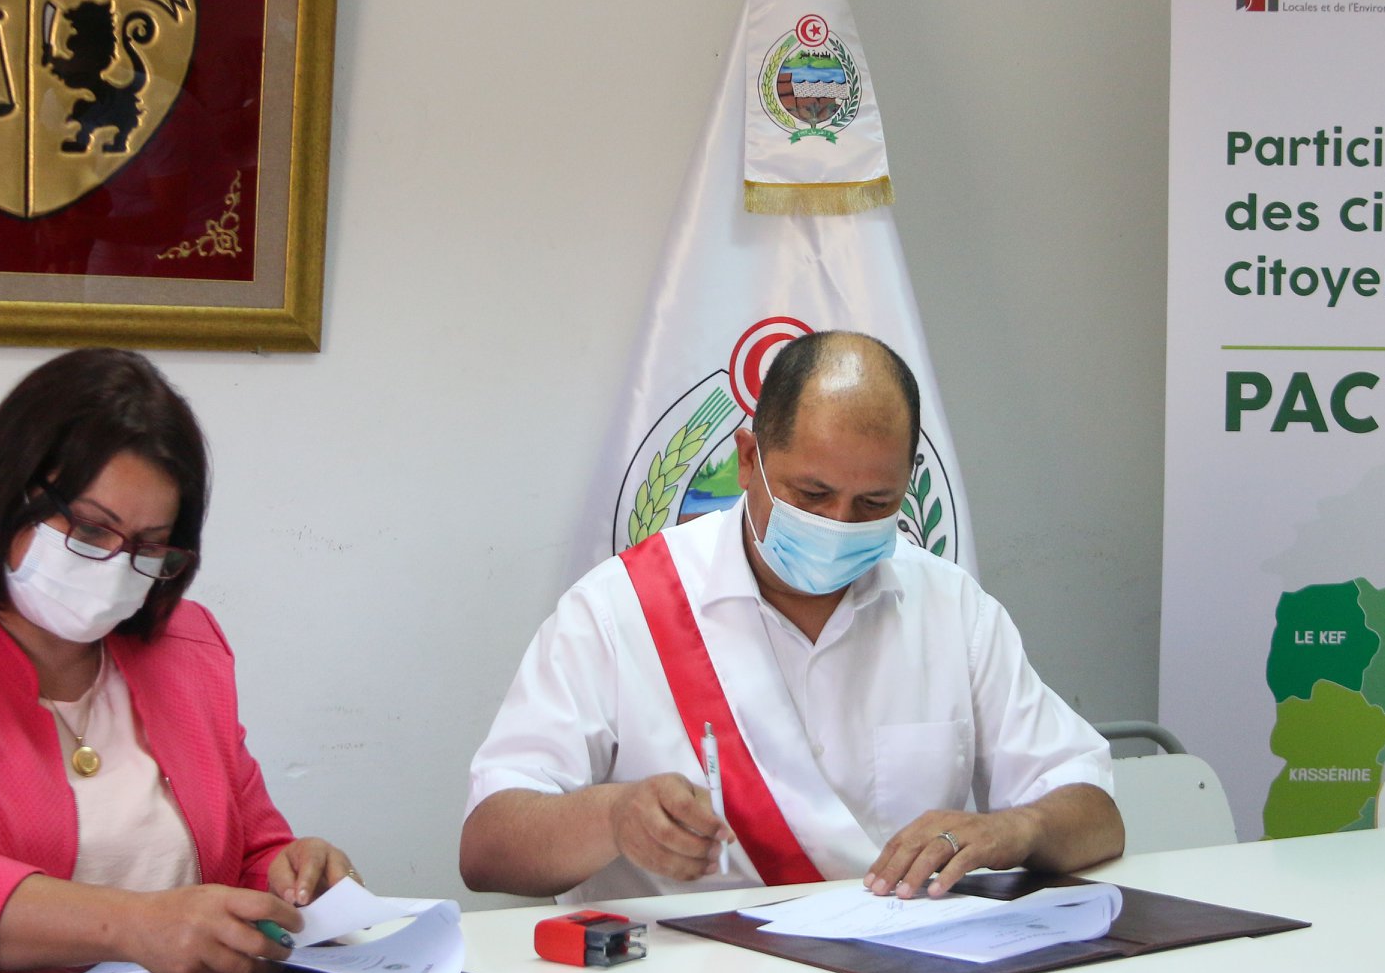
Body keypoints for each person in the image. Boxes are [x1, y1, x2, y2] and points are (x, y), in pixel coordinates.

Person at [461, 330, 1121, 904]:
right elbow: (487, 844)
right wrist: (612, 816)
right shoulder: (617, 610)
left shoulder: (953, 609)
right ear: (748, 459)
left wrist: (1015, 829)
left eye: (874, 503)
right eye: (812, 494)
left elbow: (1096, 813)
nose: (839, 524)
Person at [0, 348, 358, 973]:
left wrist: (294, 877)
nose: (117, 567)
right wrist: (134, 925)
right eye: (92, 530)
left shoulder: (187, 645)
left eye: (150, 545)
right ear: (7, 494)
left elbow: (249, 857)